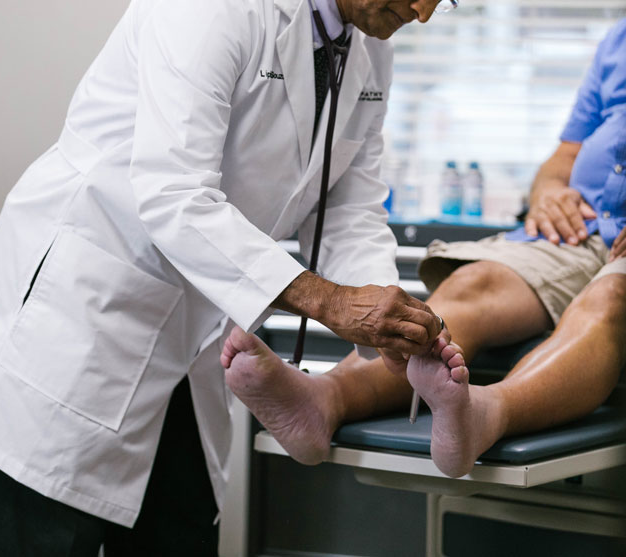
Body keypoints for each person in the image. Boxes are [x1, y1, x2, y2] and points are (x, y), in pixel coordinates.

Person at [0, 0, 451, 554]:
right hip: (87, 319)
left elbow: (349, 208)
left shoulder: (371, 47)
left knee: (181, 530)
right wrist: (328, 301)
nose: (422, 12)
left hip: (197, 335)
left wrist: (383, 312)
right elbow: (173, 193)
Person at [221, 17, 626, 479]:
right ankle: (325, 398)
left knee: (610, 297)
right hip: (581, 231)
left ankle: (487, 412)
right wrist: (550, 190)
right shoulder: (620, 39)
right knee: (473, 284)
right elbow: (563, 159)